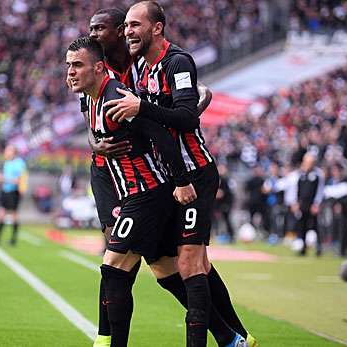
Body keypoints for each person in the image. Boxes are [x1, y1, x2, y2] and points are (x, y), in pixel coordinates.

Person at [83, 8, 251, 347]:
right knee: (163, 266)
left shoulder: (160, 63)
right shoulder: (102, 68)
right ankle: (232, 336)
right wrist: (99, 145)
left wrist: (148, 109)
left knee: (187, 262)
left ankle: (233, 335)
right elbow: (94, 122)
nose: (94, 34)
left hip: (177, 175)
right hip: (126, 176)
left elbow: (184, 112)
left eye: (102, 28)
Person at [67, 36, 202, 347]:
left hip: (148, 194)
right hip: (135, 195)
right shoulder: (90, 98)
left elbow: (161, 136)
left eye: (77, 65)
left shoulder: (116, 97)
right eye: (68, 66)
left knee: (112, 267)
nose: (70, 72)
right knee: (165, 271)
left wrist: (181, 181)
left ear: (99, 67)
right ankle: (229, 335)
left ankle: (111, 343)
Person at [0, 144, 27, 246]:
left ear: (14, 152)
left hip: (13, 192)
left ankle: (13, 238)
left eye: (8, 151)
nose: (6, 152)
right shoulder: (7, 163)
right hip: (5, 191)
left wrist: (4, 179)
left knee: (13, 214)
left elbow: (19, 180)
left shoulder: (19, 163)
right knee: (1, 213)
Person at [293, 152, 325, 256]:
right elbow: (298, 190)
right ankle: (303, 248)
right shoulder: (301, 175)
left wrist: (316, 203)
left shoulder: (318, 175)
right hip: (303, 205)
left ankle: (319, 248)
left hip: (312, 204)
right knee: (302, 226)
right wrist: (296, 202)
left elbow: (320, 191)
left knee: (315, 226)